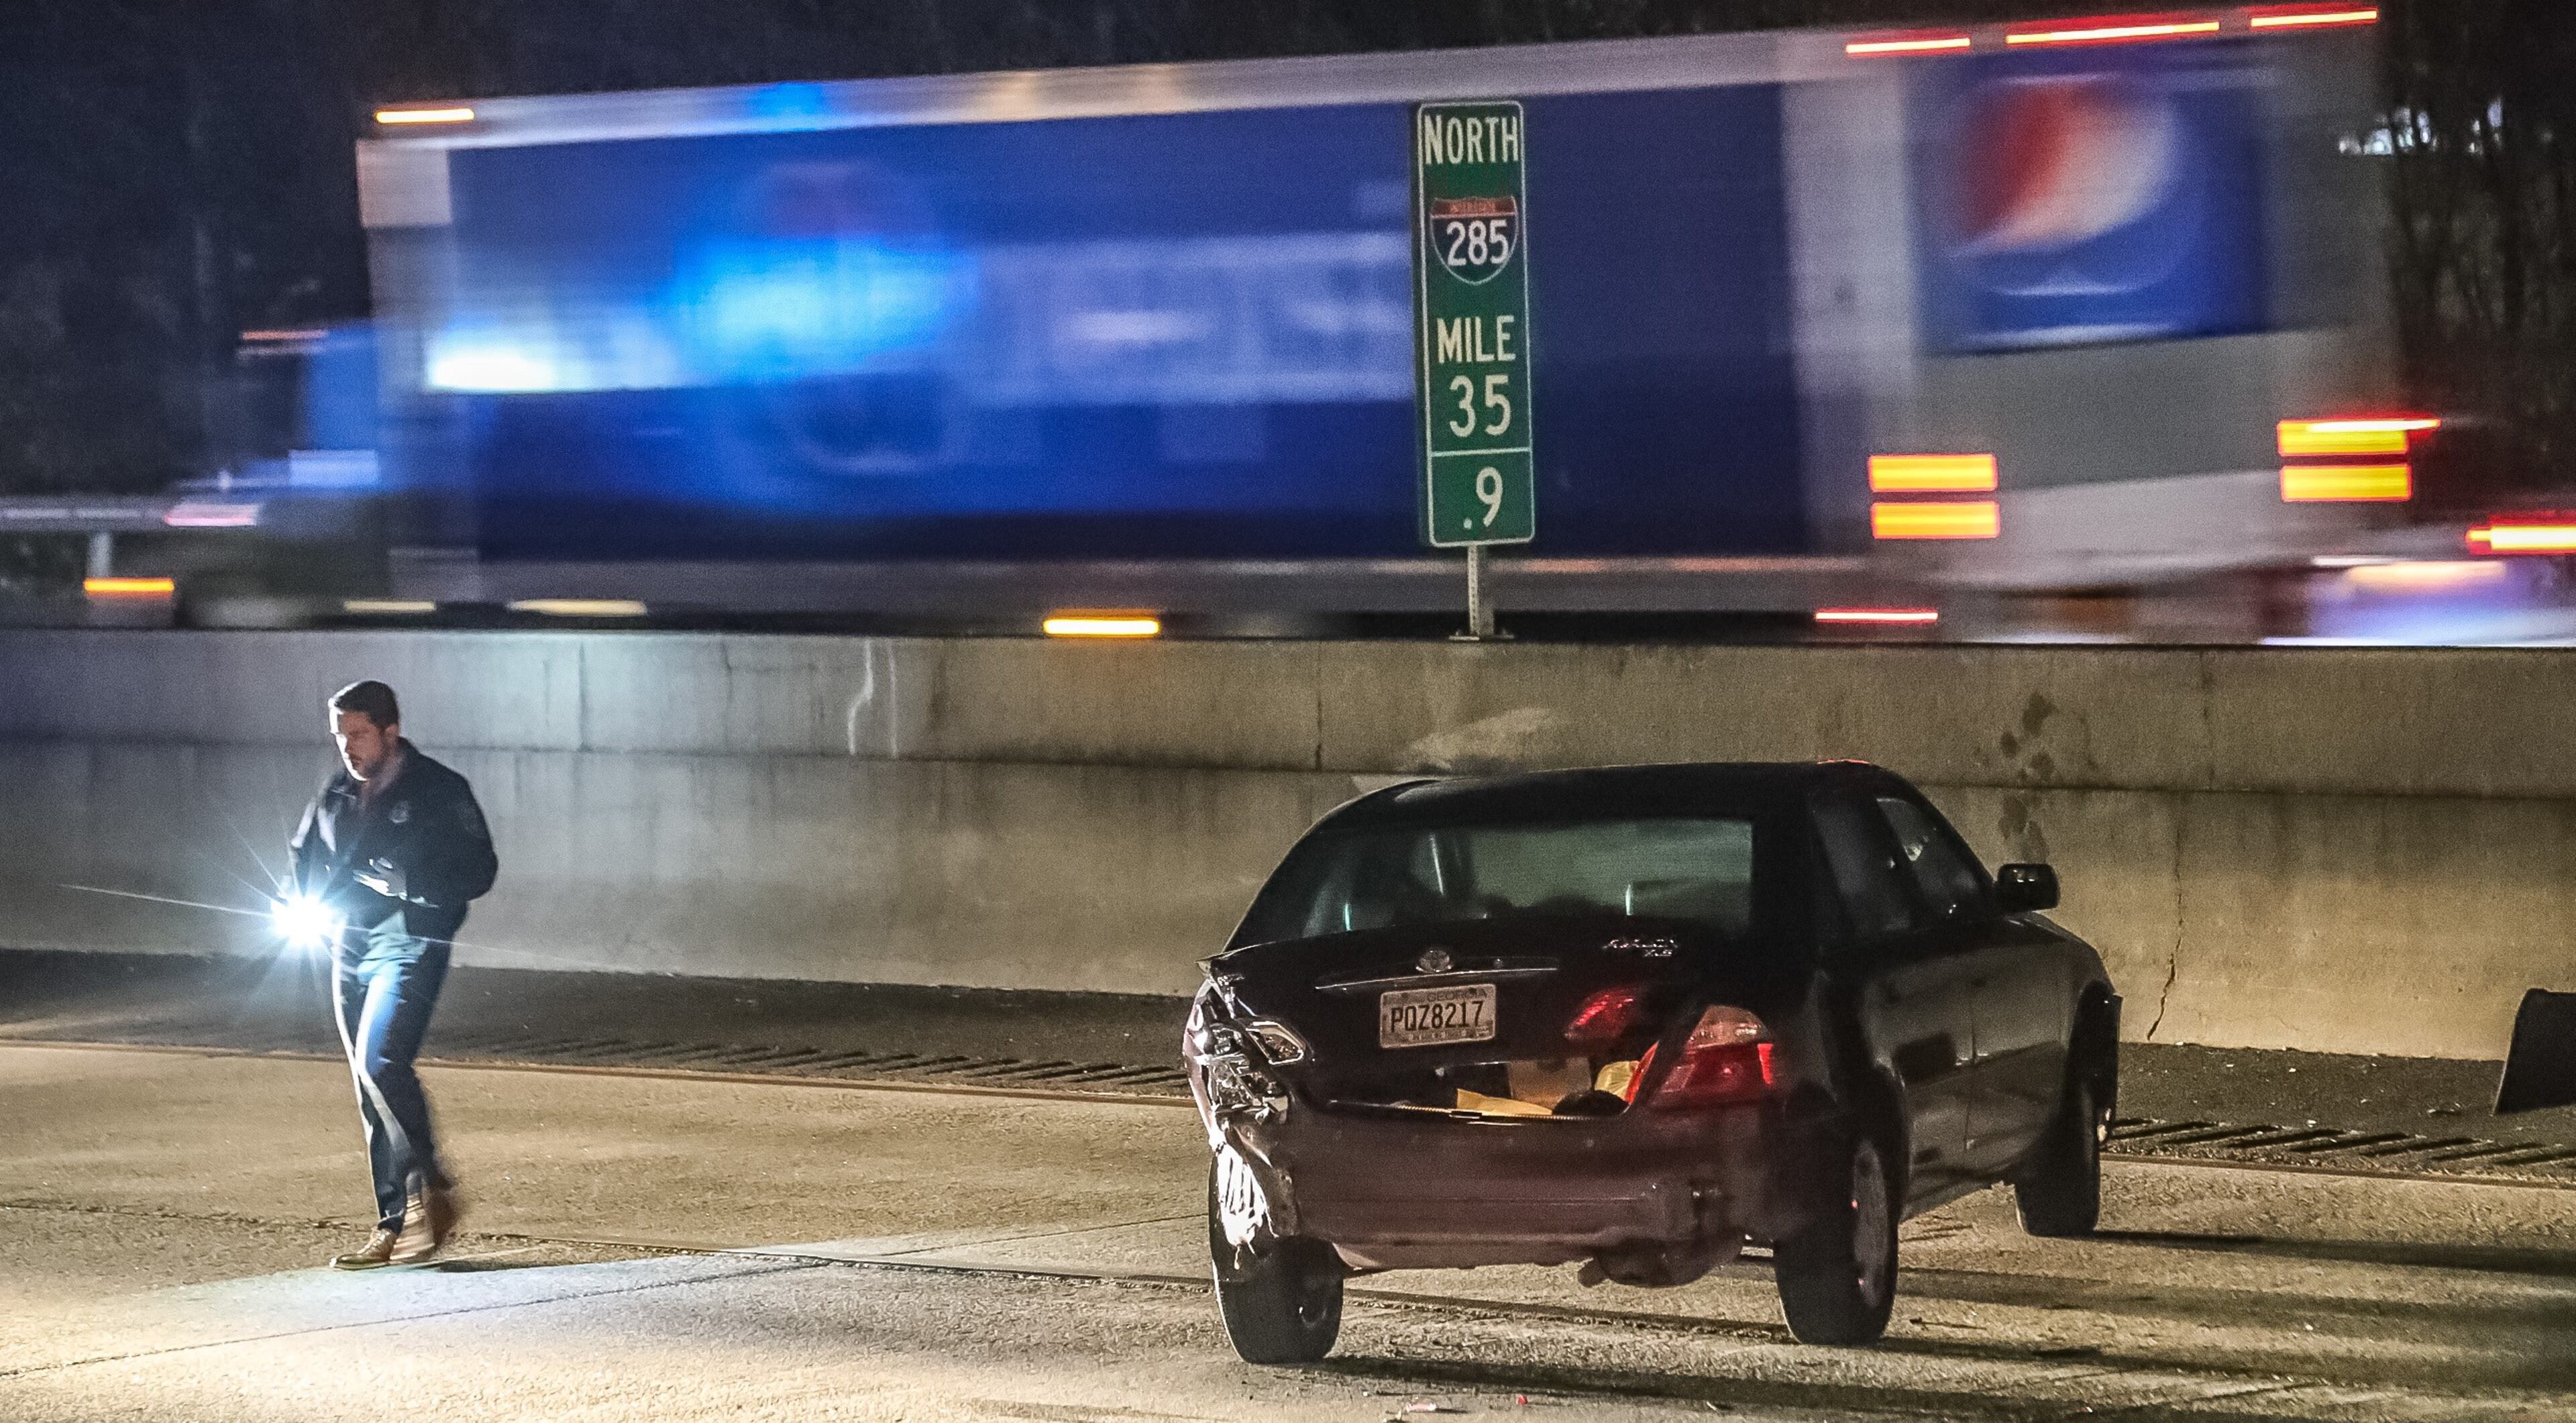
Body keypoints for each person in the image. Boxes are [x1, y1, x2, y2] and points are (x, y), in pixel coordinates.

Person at [288, 680, 498, 1269]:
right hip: (348, 946)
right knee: (365, 1080)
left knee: (383, 1059)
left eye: (358, 734)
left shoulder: (438, 790)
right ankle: (392, 1221)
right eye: (340, 736)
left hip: (410, 941)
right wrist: (296, 902)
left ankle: (436, 1191)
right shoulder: (336, 793)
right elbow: (302, 857)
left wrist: (415, 885)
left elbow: (480, 868)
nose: (348, 748)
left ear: (389, 730)